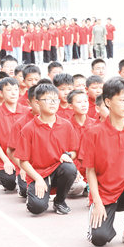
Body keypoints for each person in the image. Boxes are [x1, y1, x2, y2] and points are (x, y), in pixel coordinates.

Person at [81, 78, 124, 247]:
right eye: (121, 100)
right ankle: (103, 224)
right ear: (108, 102)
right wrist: (97, 202)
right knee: (99, 239)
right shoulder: (93, 133)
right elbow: (90, 171)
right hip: (104, 194)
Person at [16, 83, 79, 215]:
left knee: (69, 168)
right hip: (39, 173)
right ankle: (32, 195)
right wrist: (38, 179)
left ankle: (59, 201)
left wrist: (68, 155)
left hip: (58, 170)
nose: (53, 103)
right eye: (48, 100)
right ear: (37, 102)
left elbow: (74, 151)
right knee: (37, 208)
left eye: (55, 99)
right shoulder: (28, 129)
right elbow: (23, 161)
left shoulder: (66, 125)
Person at [0, 77, 29, 192]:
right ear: (1, 93)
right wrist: (6, 161)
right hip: (7, 158)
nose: (13, 93)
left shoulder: (27, 111)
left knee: (26, 188)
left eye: (16, 89)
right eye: (9, 90)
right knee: (9, 183)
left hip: (25, 159)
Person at [66, 89, 97, 197]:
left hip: (92, 169)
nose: (84, 105)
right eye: (79, 102)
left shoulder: (95, 124)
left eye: (85, 101)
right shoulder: (66, 126)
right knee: (78, 186)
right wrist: (73, 171)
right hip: (74, 169)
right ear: (70, 106)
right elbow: (64, 152)